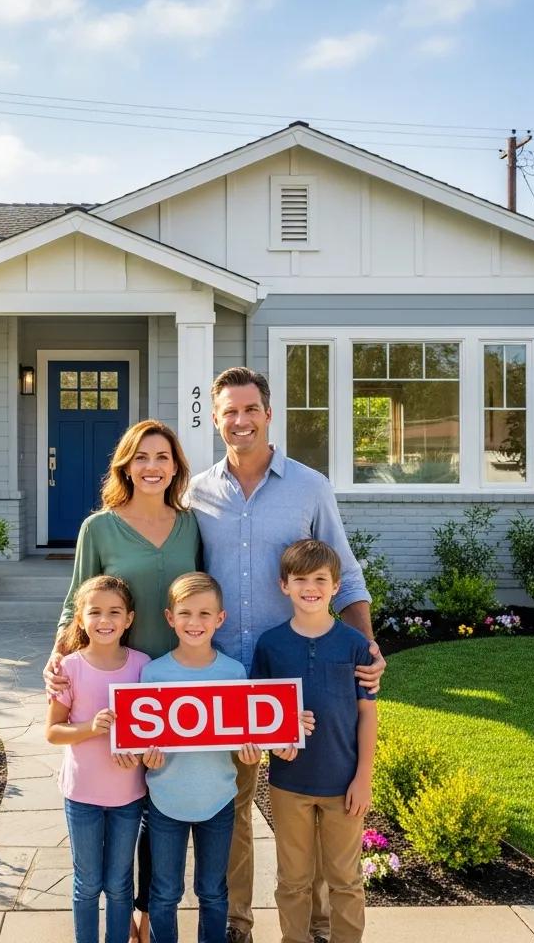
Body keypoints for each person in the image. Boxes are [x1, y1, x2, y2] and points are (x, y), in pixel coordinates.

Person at [186, 366, 386, 943]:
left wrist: (367, 646)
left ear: (268, 413)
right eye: (229, 411)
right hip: (228, 677)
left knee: (317, 797)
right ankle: (236, 923)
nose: (240, 420)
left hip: (303, 676)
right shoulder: (197, 493)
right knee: (236, 809)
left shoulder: (309, 486)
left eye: (250, 409)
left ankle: (320, 926)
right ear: (217, 418)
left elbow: (344, 575)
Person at [45, 419, 201, 943]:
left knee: (162, 801)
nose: (152, 467)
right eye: (141, 457)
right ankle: (122, 912)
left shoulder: (191, 524)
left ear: (176, 465)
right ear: (126, 466)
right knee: (123, 791)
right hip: (120, 683)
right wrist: (57, 658)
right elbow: (76, 601)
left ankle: (146, 911)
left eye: (162, 457)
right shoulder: (99, 527)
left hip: (174, 681)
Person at [251, 540, 376, 943]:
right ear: (283, 585)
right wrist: (274, 742)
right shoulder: (270, 645)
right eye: (300, 579)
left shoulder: (353, 644)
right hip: (289, 783)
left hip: (343, 784)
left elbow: (367, 714)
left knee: (345, 880)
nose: (311, 587)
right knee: (293, 880)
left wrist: (364, 777)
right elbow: (259, 714)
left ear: (336, 586)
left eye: (320, 579)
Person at [139, 572, 263, 943]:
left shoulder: (233, 673)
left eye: (205, 614)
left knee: (212, 891)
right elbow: (141, 742)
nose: (195, 623)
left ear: (220, 619)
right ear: (169, 618)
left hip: (218, 800)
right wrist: (147, 758)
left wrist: (251, 754)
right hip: (165, 800)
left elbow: (244, 738)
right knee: (164, 893)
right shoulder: (153, 673)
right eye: (186, 613)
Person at [45, 575, 151, 943]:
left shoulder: (143, 666)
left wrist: (138, 752)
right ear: (80, 619)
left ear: (129, 619)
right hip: (82, 795)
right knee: (88, 882)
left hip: (128, 795)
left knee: (120, 883)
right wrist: (91, 727)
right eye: (95, 612)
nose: (105, 620)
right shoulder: (69, 668)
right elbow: (53, 731)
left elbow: (153, 730)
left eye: (114, 612)